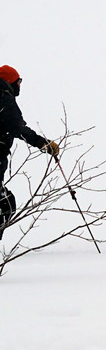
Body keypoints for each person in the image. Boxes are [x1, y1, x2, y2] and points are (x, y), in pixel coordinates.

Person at [1, 65, 60, 241]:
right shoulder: (4, 98)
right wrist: (43, 143)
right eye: (18, 81)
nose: (20, 85)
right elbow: (17, 127)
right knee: (5, 205)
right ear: (10, 80)